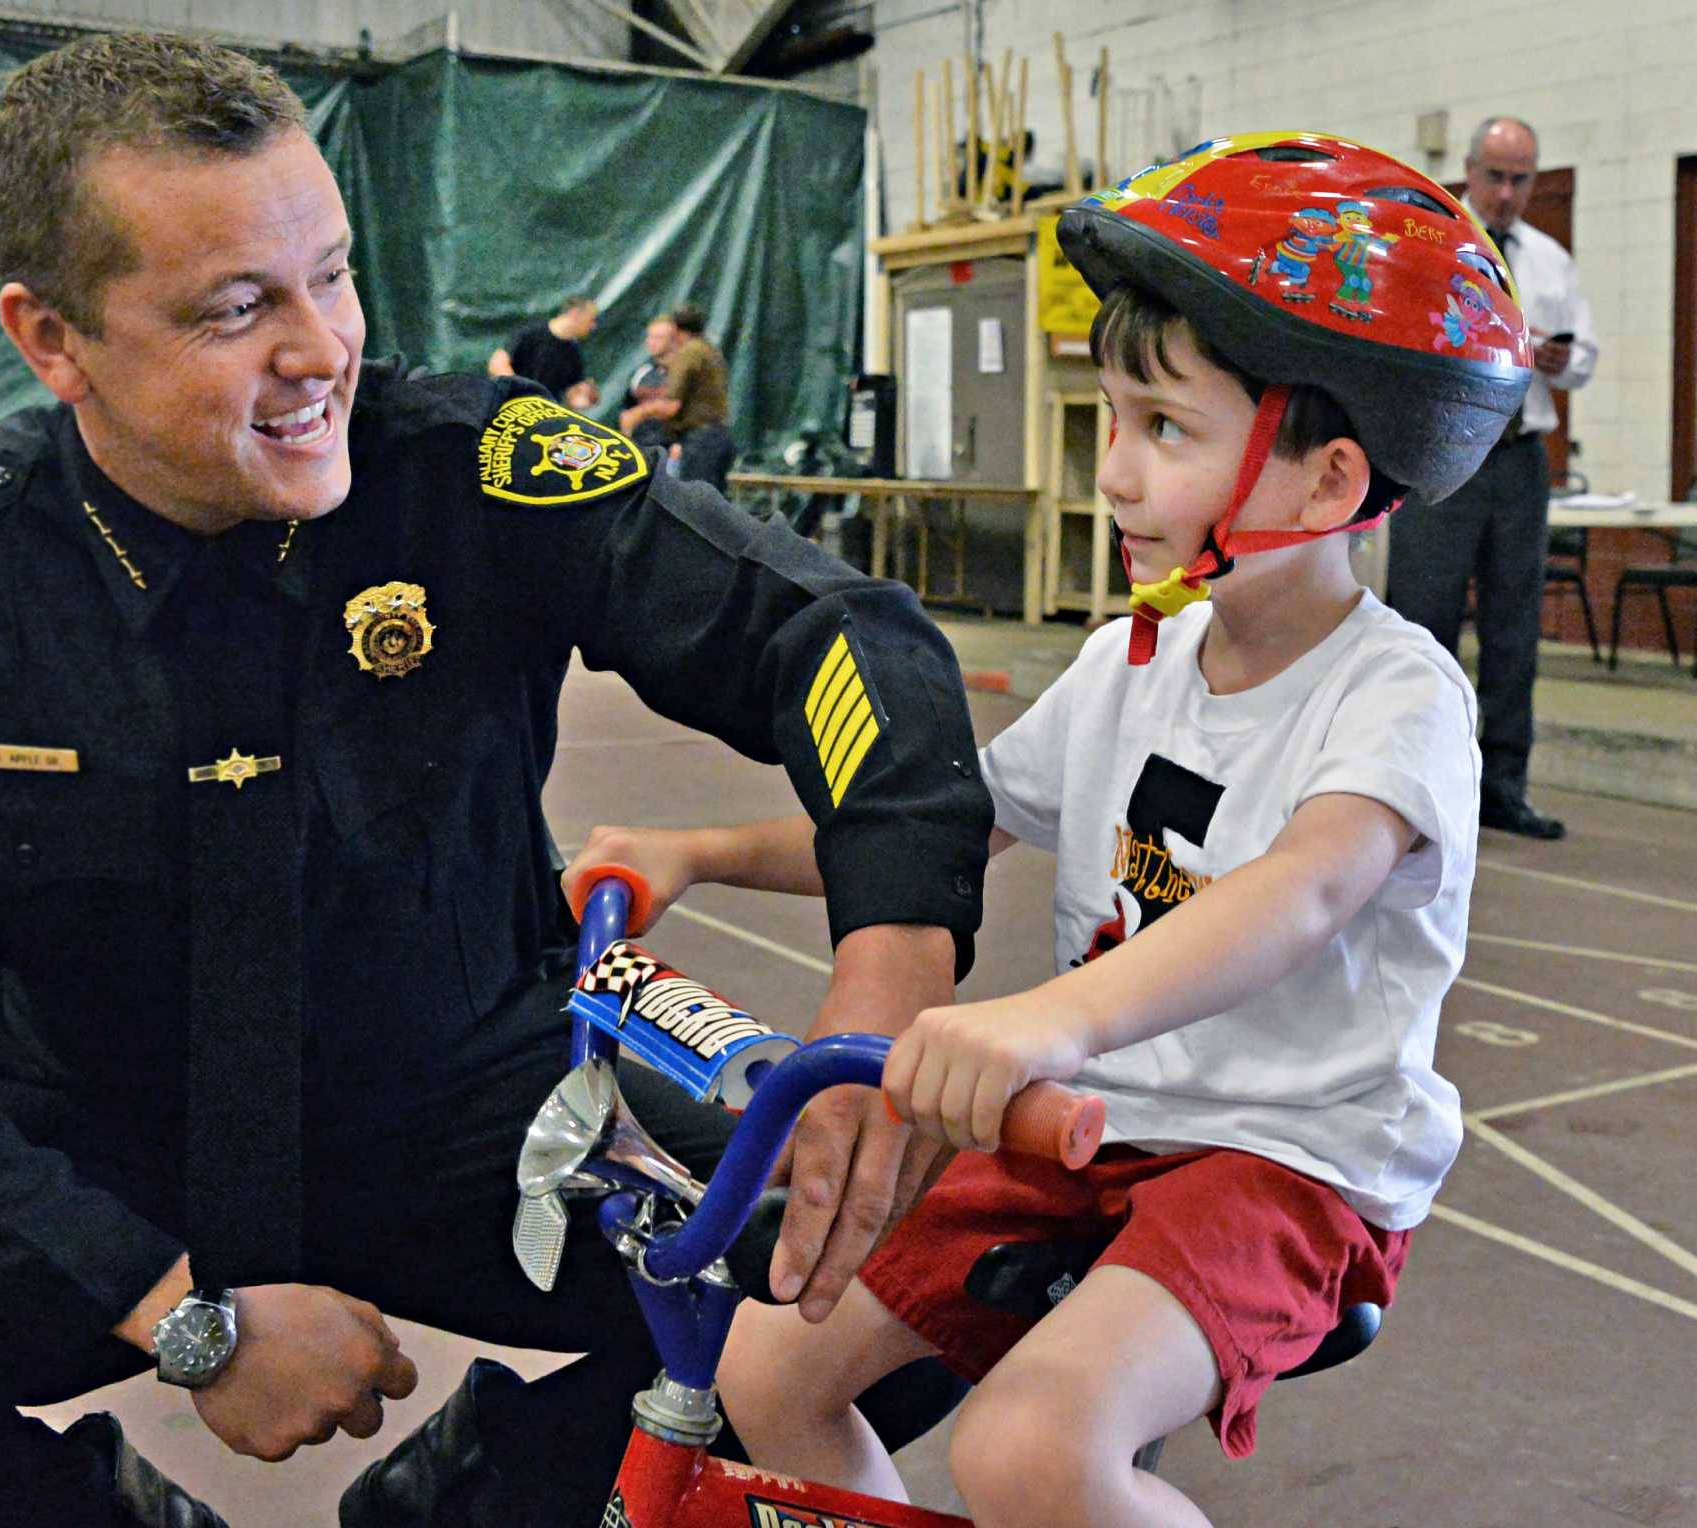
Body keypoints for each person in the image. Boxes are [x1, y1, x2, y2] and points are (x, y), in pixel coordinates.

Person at [0, 32, 997, 1528]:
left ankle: (470, 1512)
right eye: (238, 308)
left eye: (334, 275)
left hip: (482, 1109)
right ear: (53, 339)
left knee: (946, 1261)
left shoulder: (479, 473)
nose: (321, 353)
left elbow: (830, 632)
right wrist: (173, 1312)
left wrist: (882, 996)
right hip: (96, 1139)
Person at [564, 134, 1531, 1527]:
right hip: (1091, 1130)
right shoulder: (1132, 659)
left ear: (1325, 485)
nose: (1116, 474)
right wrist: (698, 854)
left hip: (1286, 1164)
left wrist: (1047, 1021)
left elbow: (1306, 893)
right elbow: (960, 824)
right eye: (1115, 422)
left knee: (1031, 1450)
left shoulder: (1396, 696)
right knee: (770, 1367)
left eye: (1167, 432)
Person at [1386, 115, 1597, 840]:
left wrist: (1566, 362)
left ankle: (1503, 786)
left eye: (1521, 180)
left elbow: (1588, 355)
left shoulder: (1550, 260)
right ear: (1469, 173)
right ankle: (1409, 780)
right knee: (1422, 620)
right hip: (1446, 452)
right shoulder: (1434, 243)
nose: (1507, 193)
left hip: (1520, 459)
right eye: (1496, 177)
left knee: (1515, 630)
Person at [625, 302, 734, 494]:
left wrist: (637, 414)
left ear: (677, 331)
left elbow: (670, 406)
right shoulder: (709, 350)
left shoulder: (689, 353)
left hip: (701, 440)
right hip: (717, 436)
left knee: (696, 504)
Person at [486, 292, 602, 411]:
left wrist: (585, 396)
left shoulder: (574, 355)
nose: (593, 326)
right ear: (575, 314)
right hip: (506, 411)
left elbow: (570, 399)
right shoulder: (531, 333)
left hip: (539, 420)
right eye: (591, 319)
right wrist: (522, 394)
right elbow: (497, 364)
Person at [615, 311, 679, 452]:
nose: (651, 342)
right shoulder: (642, 372)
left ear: (674, 340)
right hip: (641, 449)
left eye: (659, 337)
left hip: (673, 453)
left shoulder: (686, 373)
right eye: (649, 337)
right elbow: (626, 411)